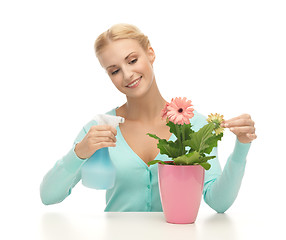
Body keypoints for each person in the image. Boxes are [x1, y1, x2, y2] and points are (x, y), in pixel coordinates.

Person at [40, 23, 257, 213]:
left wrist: (241, 147)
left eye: (132, 60)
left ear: (150, 53)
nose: (127, 75)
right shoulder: (100, 128)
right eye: (114, 71)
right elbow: (49, 196)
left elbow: (218, 201)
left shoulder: (195, 125)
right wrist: (78, 153)